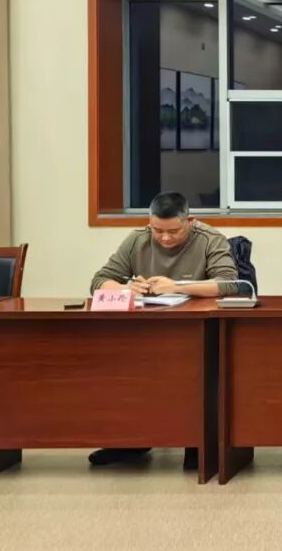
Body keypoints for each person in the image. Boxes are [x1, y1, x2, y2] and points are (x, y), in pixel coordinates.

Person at [87, 190, 238, 468]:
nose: (165, 238)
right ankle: (132, 439)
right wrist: (124, 289)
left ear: (189, 222)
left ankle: (197, 441)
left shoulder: (209, 239)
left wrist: (178, 286)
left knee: (193, 369)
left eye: (173, 231)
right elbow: (100, 280)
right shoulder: (138, 239)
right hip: (146, 331)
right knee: (120, 365)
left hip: (197, 332)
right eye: (158, 230)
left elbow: (229, 284)